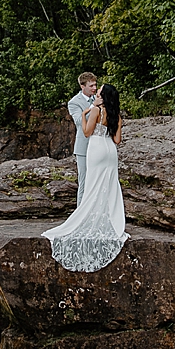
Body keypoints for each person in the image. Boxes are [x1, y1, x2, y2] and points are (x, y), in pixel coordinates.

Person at [45, 83, 128, 271]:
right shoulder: (116, 114)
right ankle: (111, 220)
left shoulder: (97, 111)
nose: (96, 92)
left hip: (97, 149)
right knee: (110, 185)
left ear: (103, 96)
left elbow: (87, 132)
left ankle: (89, 216)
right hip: (110, 150)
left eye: (99, 91)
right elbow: (117, 140)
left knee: (92, 185)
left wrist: (85, 114)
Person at [66, 71, 98, 203]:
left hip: (98, 144)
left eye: (95, 85)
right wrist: (94, 107)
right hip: (83, 146)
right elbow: (79, 121)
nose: (94, 88)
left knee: (97, 181)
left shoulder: (99, 97)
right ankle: (80, 215)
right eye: (91, 86)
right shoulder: (74, 102)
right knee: (84, 181)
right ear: (82, 86)